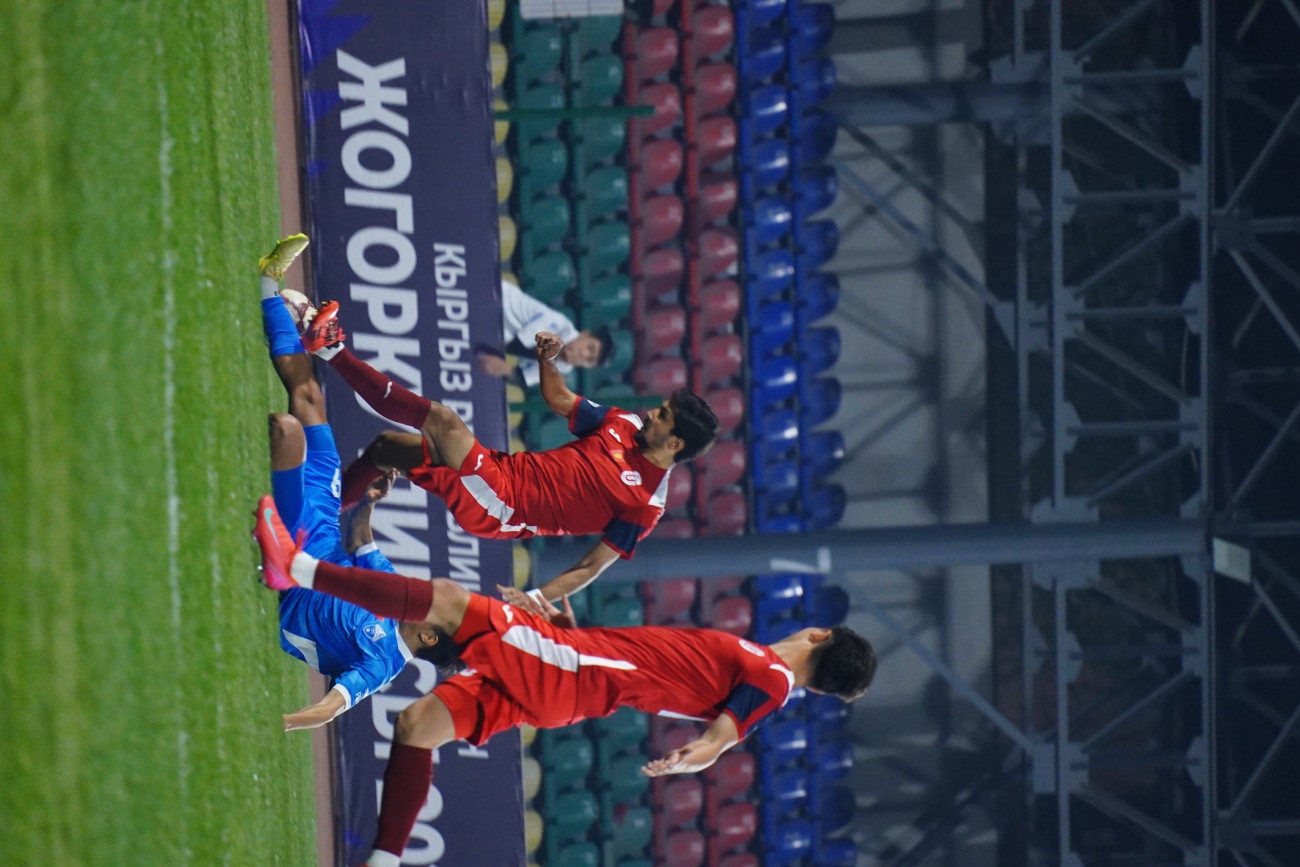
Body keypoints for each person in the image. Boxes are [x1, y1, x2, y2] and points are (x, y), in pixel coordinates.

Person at [252, 494, 877, 867]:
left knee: (444, 600)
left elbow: (726, 733)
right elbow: (668, 680)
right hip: (572, 676)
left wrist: (698, 753)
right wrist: (572, 631)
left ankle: (297, 568)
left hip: (573, 674)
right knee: (417, 725)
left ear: (818, 635)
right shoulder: (762, 670)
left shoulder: (772, 677)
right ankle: (384, 860)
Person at [303, 294, 720, 601]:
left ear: (675, 443)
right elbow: (560, 399)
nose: (651, 413)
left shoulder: (646, 503)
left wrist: (537, 598)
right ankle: (316, 520)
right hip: (501, 469)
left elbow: (591, 566)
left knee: (444, 421)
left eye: (663, 416)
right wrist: (547, 361)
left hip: (503, 505)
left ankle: (330, 348)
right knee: (388, 448)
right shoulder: (624, 423)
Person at [257, 235, 460, 729]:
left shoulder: (381, 665)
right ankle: (267, 281)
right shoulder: (394, 590)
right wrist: (369, 503)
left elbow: (330, 708)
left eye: (444, 614)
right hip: (324, 522)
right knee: (308, 398)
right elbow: (360, 542)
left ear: (428, 637)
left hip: (295, 554)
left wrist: (278, 722)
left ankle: (271, 544)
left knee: (285, 430)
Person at [475, 277, 615, 388]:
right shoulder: (559, 324)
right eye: (590, 348)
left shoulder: (563, 366)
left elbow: (522, 378)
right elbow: (516, 346)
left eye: (590, 360)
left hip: (489, 328)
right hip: (490, 294)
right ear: (585, 334)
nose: (584, 355)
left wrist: (505, 370)